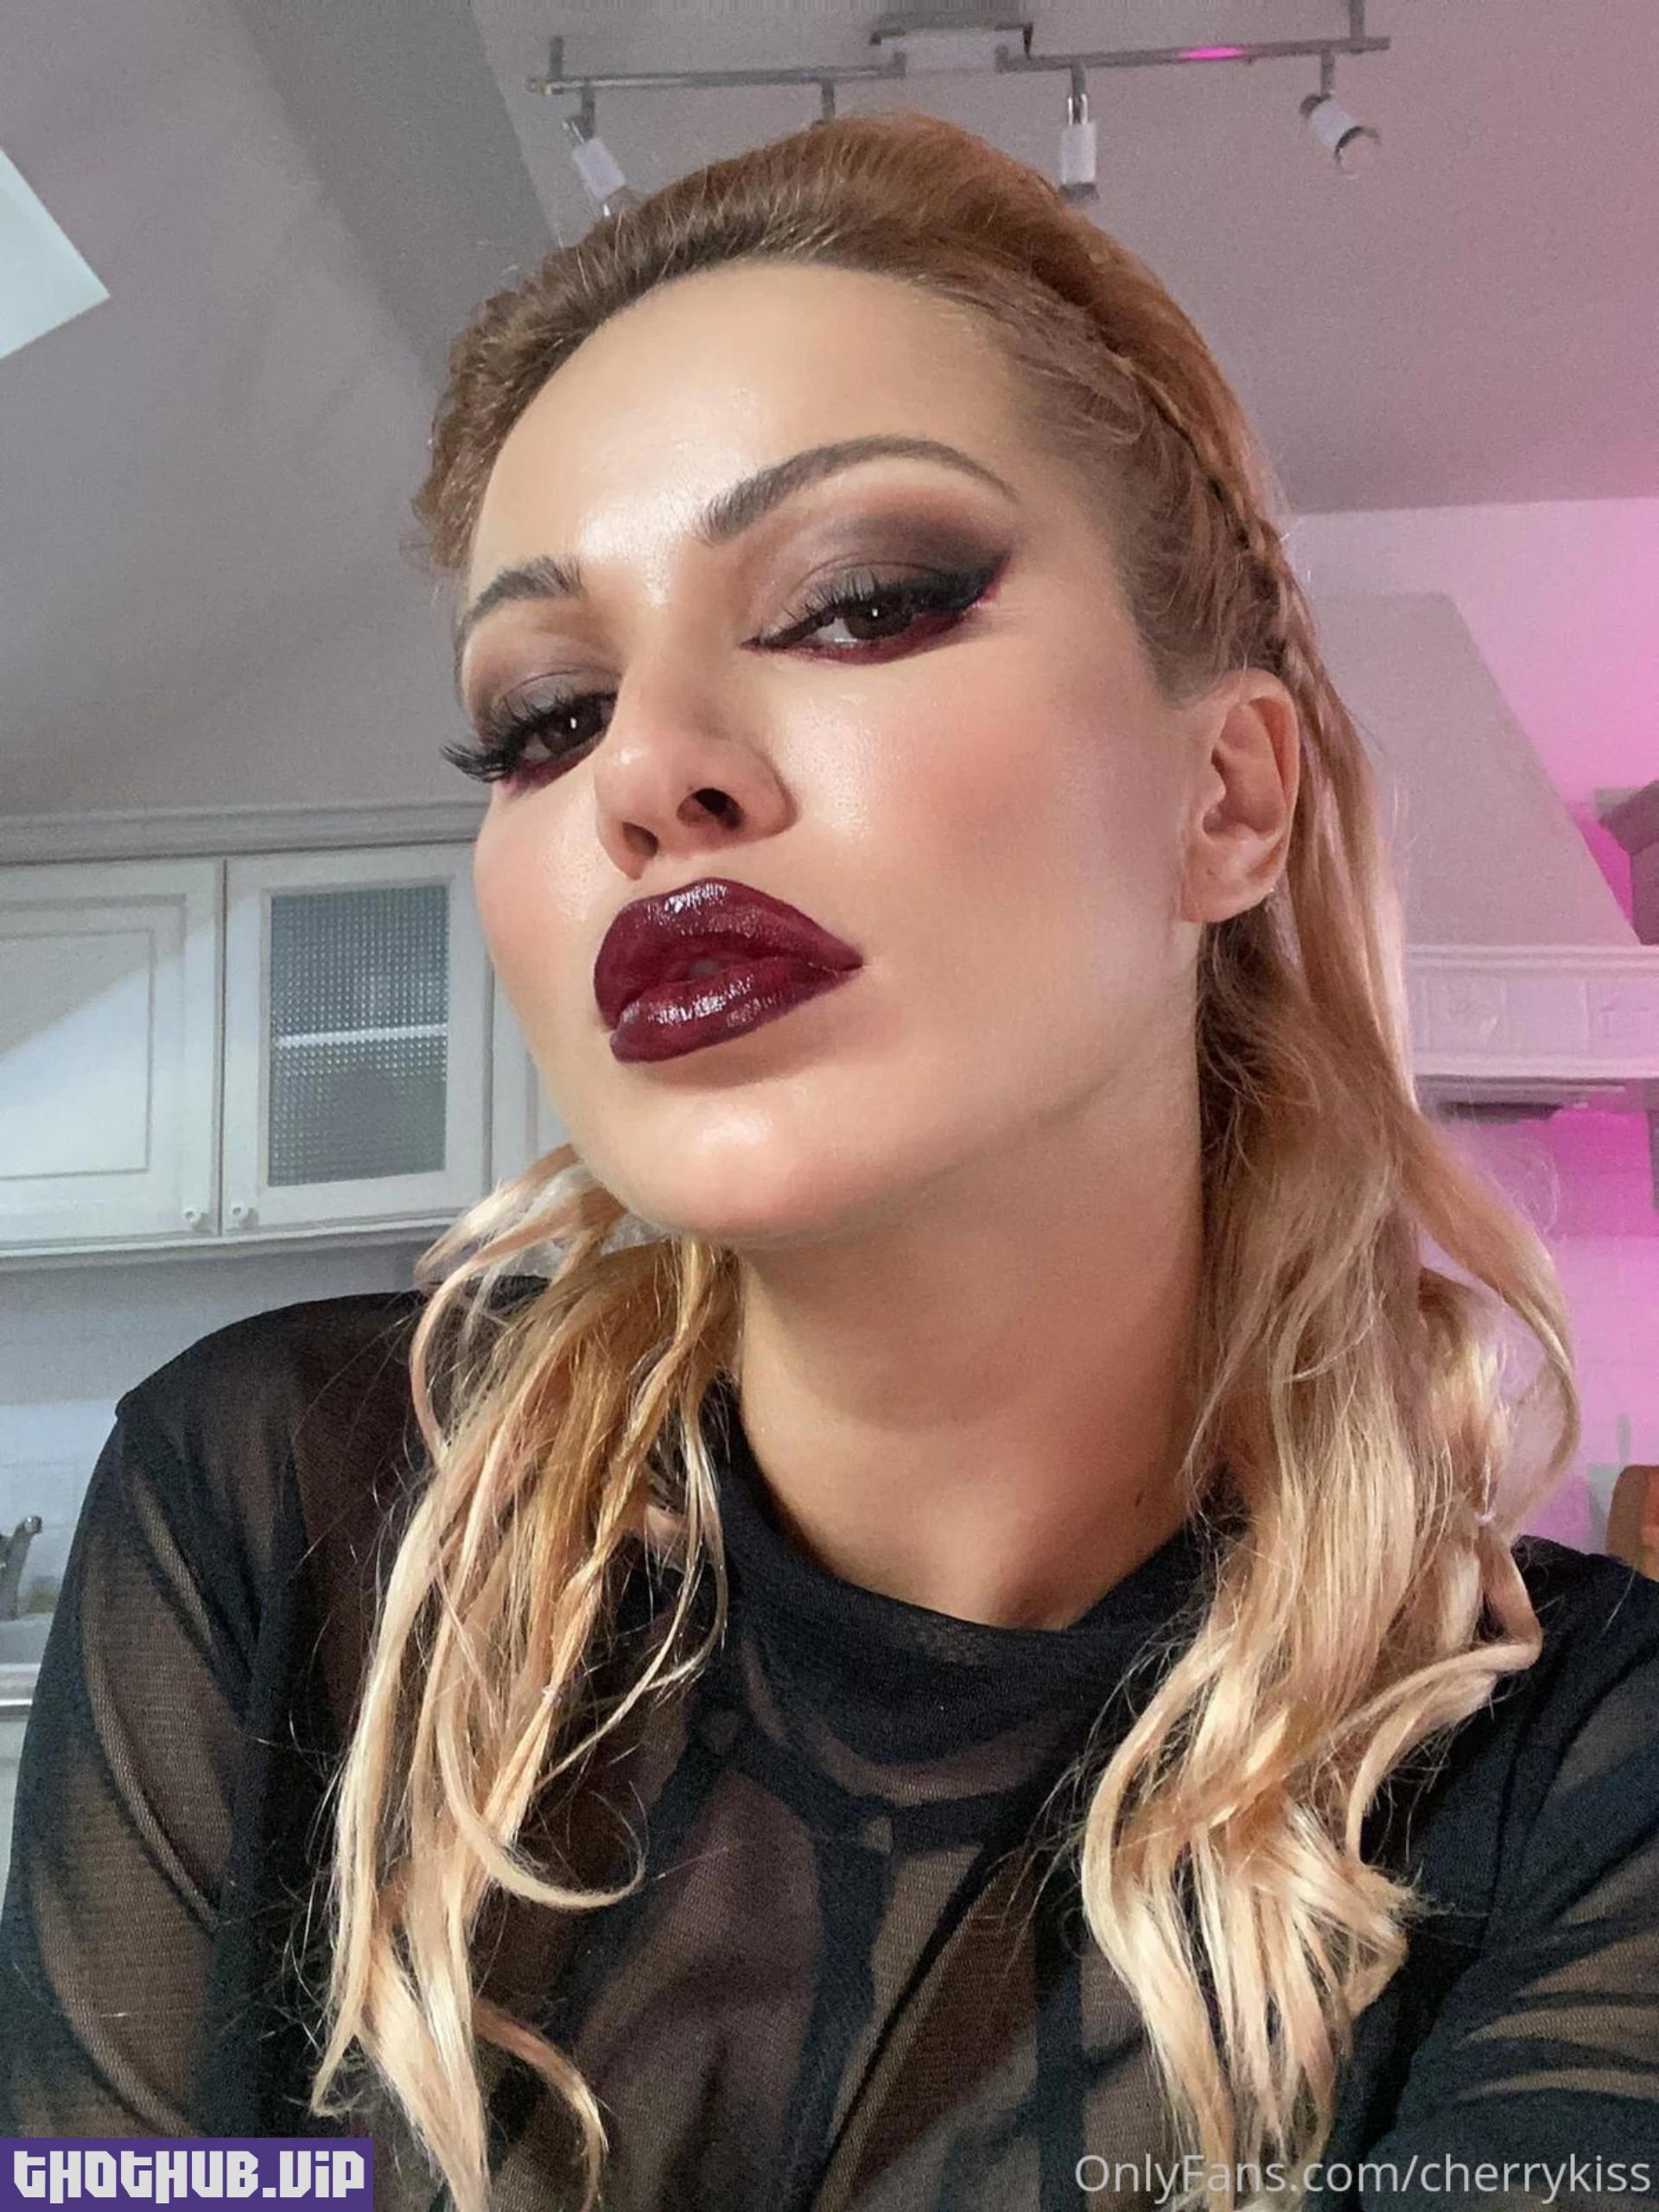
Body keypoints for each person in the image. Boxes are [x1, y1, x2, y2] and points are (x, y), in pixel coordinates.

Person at [2, 110, 1656, 2212]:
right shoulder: (282, 1508)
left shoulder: (1578, 1775)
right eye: (541, 714)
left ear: (1230, 797)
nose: (643, 770)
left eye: (858, 604)